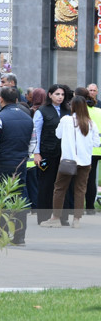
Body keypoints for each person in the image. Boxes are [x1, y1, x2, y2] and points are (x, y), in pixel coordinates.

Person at [0, 85, 34, 245]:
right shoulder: (28, 117)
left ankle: (1, 234)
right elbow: (33, 144)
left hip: (2, 162)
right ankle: (20, 236)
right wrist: (25, 156)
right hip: (21, 162)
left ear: (1, 98)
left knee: (1, 198)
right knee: (20, 197)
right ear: (18, 99)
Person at [50, 95, 100, 228]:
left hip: (68, 160)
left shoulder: (66, 120)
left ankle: (55, 217)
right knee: (80, 190)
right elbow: (97, 142)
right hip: (85, 161)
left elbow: (58, 134)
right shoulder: (90, 123)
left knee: (60, 188)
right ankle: (77, 219)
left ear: (72, 106)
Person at [31, 84, 70, 225]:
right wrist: (37, 153)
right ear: (50, 95)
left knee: (63, 185)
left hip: (64, 153)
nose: (60, 97)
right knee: (46, 185)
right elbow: (36, 133)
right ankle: (44, 216)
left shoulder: (68, 111)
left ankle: (61, 216)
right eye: (57, 94)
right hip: (47, 152)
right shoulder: (42, 111)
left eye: (62, 95)